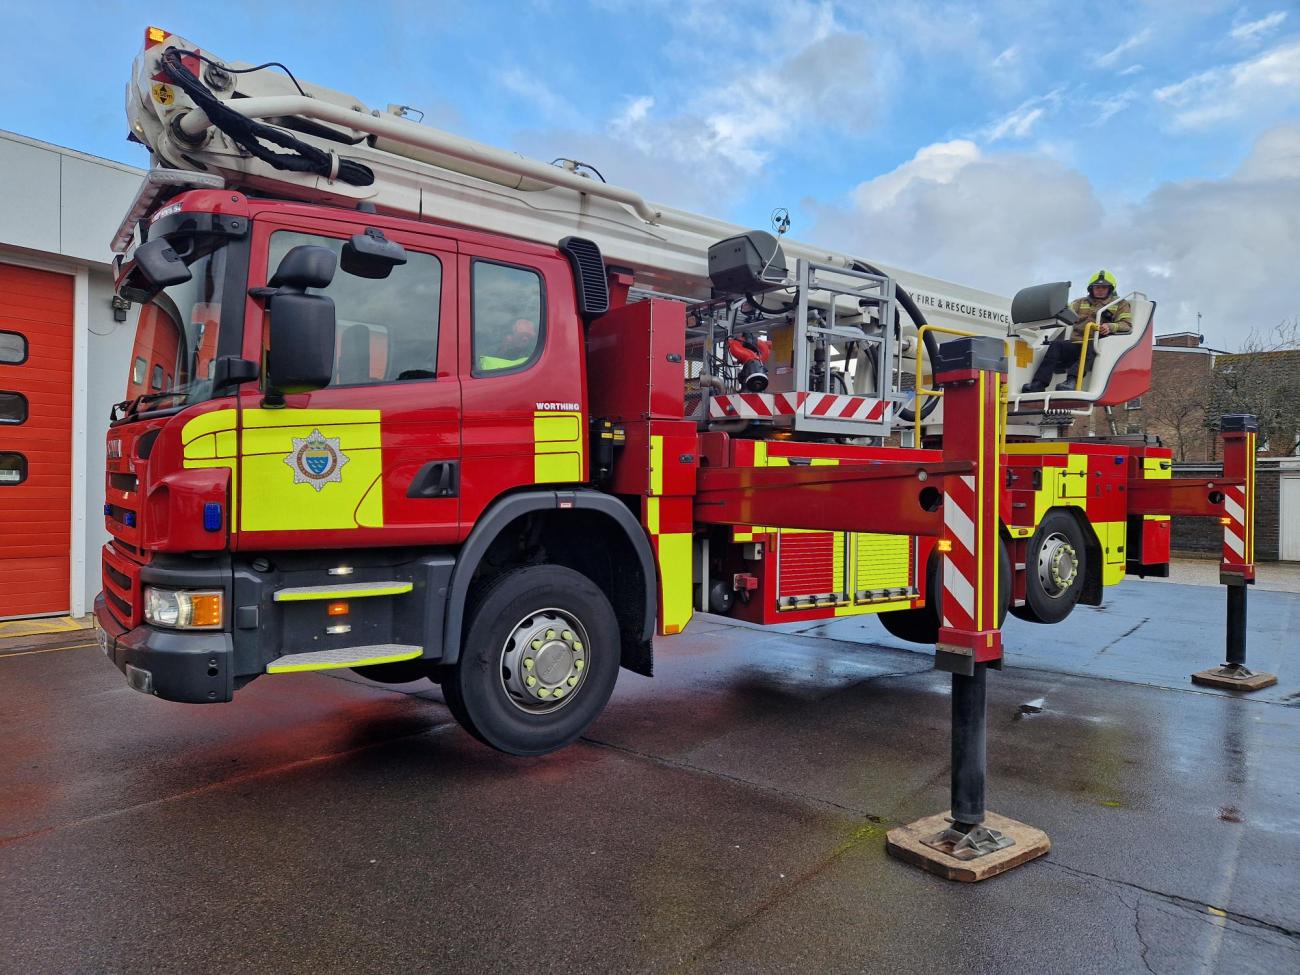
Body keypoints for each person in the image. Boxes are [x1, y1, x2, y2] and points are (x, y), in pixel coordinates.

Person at [1022, 270, 1132, 392]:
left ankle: (1072, 381)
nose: (1100, 290)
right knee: (1056, 345)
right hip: (1076, 344)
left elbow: (1126, 324)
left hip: (1099, 346)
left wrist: (1110, 327)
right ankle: (1039, 383)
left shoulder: (1120, 304)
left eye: (1104, 287)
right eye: (1097, 287)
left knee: (1089, 347)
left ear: (1110, 289)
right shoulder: (1079, 303)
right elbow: (1063, 313)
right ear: (1091, 289)